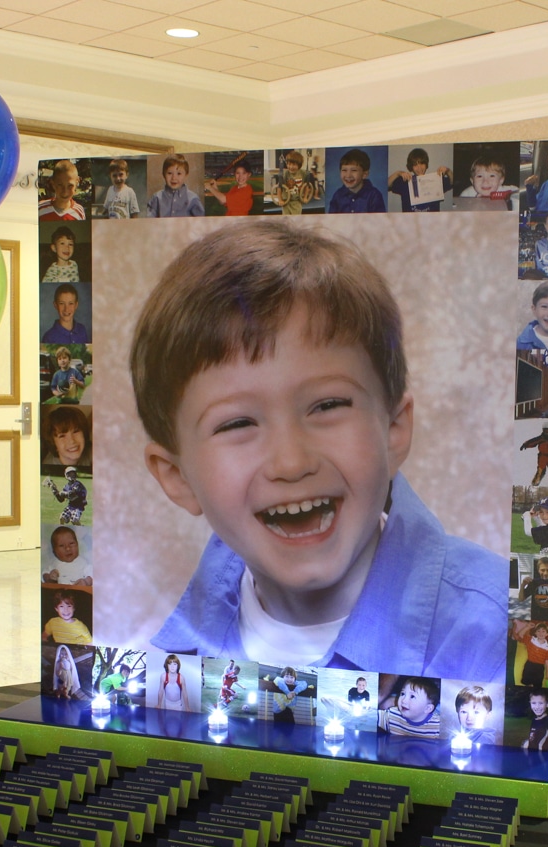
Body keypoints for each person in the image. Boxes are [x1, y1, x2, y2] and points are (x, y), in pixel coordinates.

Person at [132, 220, 506, 681]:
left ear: (393, 429)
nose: (292, 462)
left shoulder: (498, 637)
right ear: (176, 477)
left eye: (328, 405)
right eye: (237, 423)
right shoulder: (155, 659)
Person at [387, 148, 450, 213]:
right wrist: (398, 173)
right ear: (411, 167)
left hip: (432, 221)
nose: (419, 167)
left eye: (422, 163)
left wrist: (448, 171)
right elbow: (385, 185)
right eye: (415, 164)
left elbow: (452, 182)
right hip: (410, 221)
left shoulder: (435, 180)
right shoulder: (406, 181)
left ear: (426, 165)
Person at [327, 149, 385, 214]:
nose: (348, 175)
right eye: (344, 170)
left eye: (354, 170)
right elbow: (331, 221)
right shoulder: (337, 196)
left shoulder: (374, 196)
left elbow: (380, 222)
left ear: (364, 174)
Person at [42, 284, 90, 348]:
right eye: (61, 303)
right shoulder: (49, 337)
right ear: (55, 305)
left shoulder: (82, 330)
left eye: (71, 303)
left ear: (76, 305)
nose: (66, 309)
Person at [273, 151, 319, 215]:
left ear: (299, 165)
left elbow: (307, 186)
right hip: (286, 202)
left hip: (297, 201)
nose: (291, 167)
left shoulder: (303, 173)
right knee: (286, 220)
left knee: (296, 220)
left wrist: (305, 197)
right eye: (289, 164)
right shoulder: (285, 174)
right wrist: (280, 200)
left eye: (294, 164)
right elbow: (279, 187)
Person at [517, 621, 548, 687]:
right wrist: (527, 627)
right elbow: (520, 635)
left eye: (543, 631)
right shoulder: (531, 640)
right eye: (538, 631)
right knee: (527, 683)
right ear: (535, 633)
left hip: (540, 668)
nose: (541, 633)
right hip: (529, 665)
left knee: (537, 685)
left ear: (547, 634)